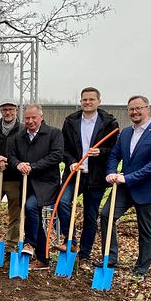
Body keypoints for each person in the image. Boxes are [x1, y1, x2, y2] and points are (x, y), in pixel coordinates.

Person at [103, 95, 151, 280]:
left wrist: (127, 178)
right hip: (124, 188)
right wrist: (111, 172)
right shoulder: (125, 132)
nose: (135, 112)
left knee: (145, 230)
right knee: (106, 216)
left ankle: (141, 268)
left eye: (139, 108)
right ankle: (110, 259)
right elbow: (113, 155)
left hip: (148, 189)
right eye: (131, 109)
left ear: (148, 109)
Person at [60, 88, 118, 271]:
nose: (88, 102)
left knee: (90, 216)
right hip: (74, 173)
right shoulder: (71, 121)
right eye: (85, 99)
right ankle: (72, 241)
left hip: (96, 177)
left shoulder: (109, 123)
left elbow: (115, 151)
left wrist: (100, 152)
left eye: (91, 99)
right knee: (61, 202)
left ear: (99, 101)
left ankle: (85, 255)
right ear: (81, 101)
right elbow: (64, 148)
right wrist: (71, 162)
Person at [9, 103, 64, 270]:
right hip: (27, 183)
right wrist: (18, 165)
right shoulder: (19, 137)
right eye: (27, 118)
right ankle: (43, 258)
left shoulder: (54, 133)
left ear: (41, 117)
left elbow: (56, 156)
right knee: (35, 218)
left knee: (31, 206)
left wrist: (33, 166)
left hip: (46, 182)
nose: (30, 121)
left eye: (34, 117)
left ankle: (29, 243)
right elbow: (11, 156)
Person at [0, 99, 24, 252]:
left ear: (16, 110)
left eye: (11, 109)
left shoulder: (22, 130)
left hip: (15, 179)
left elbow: (24, 152)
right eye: (5, 109)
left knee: (15, 215)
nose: (8, 112)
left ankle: (12, 245)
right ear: (1, 111)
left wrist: (8, 160)